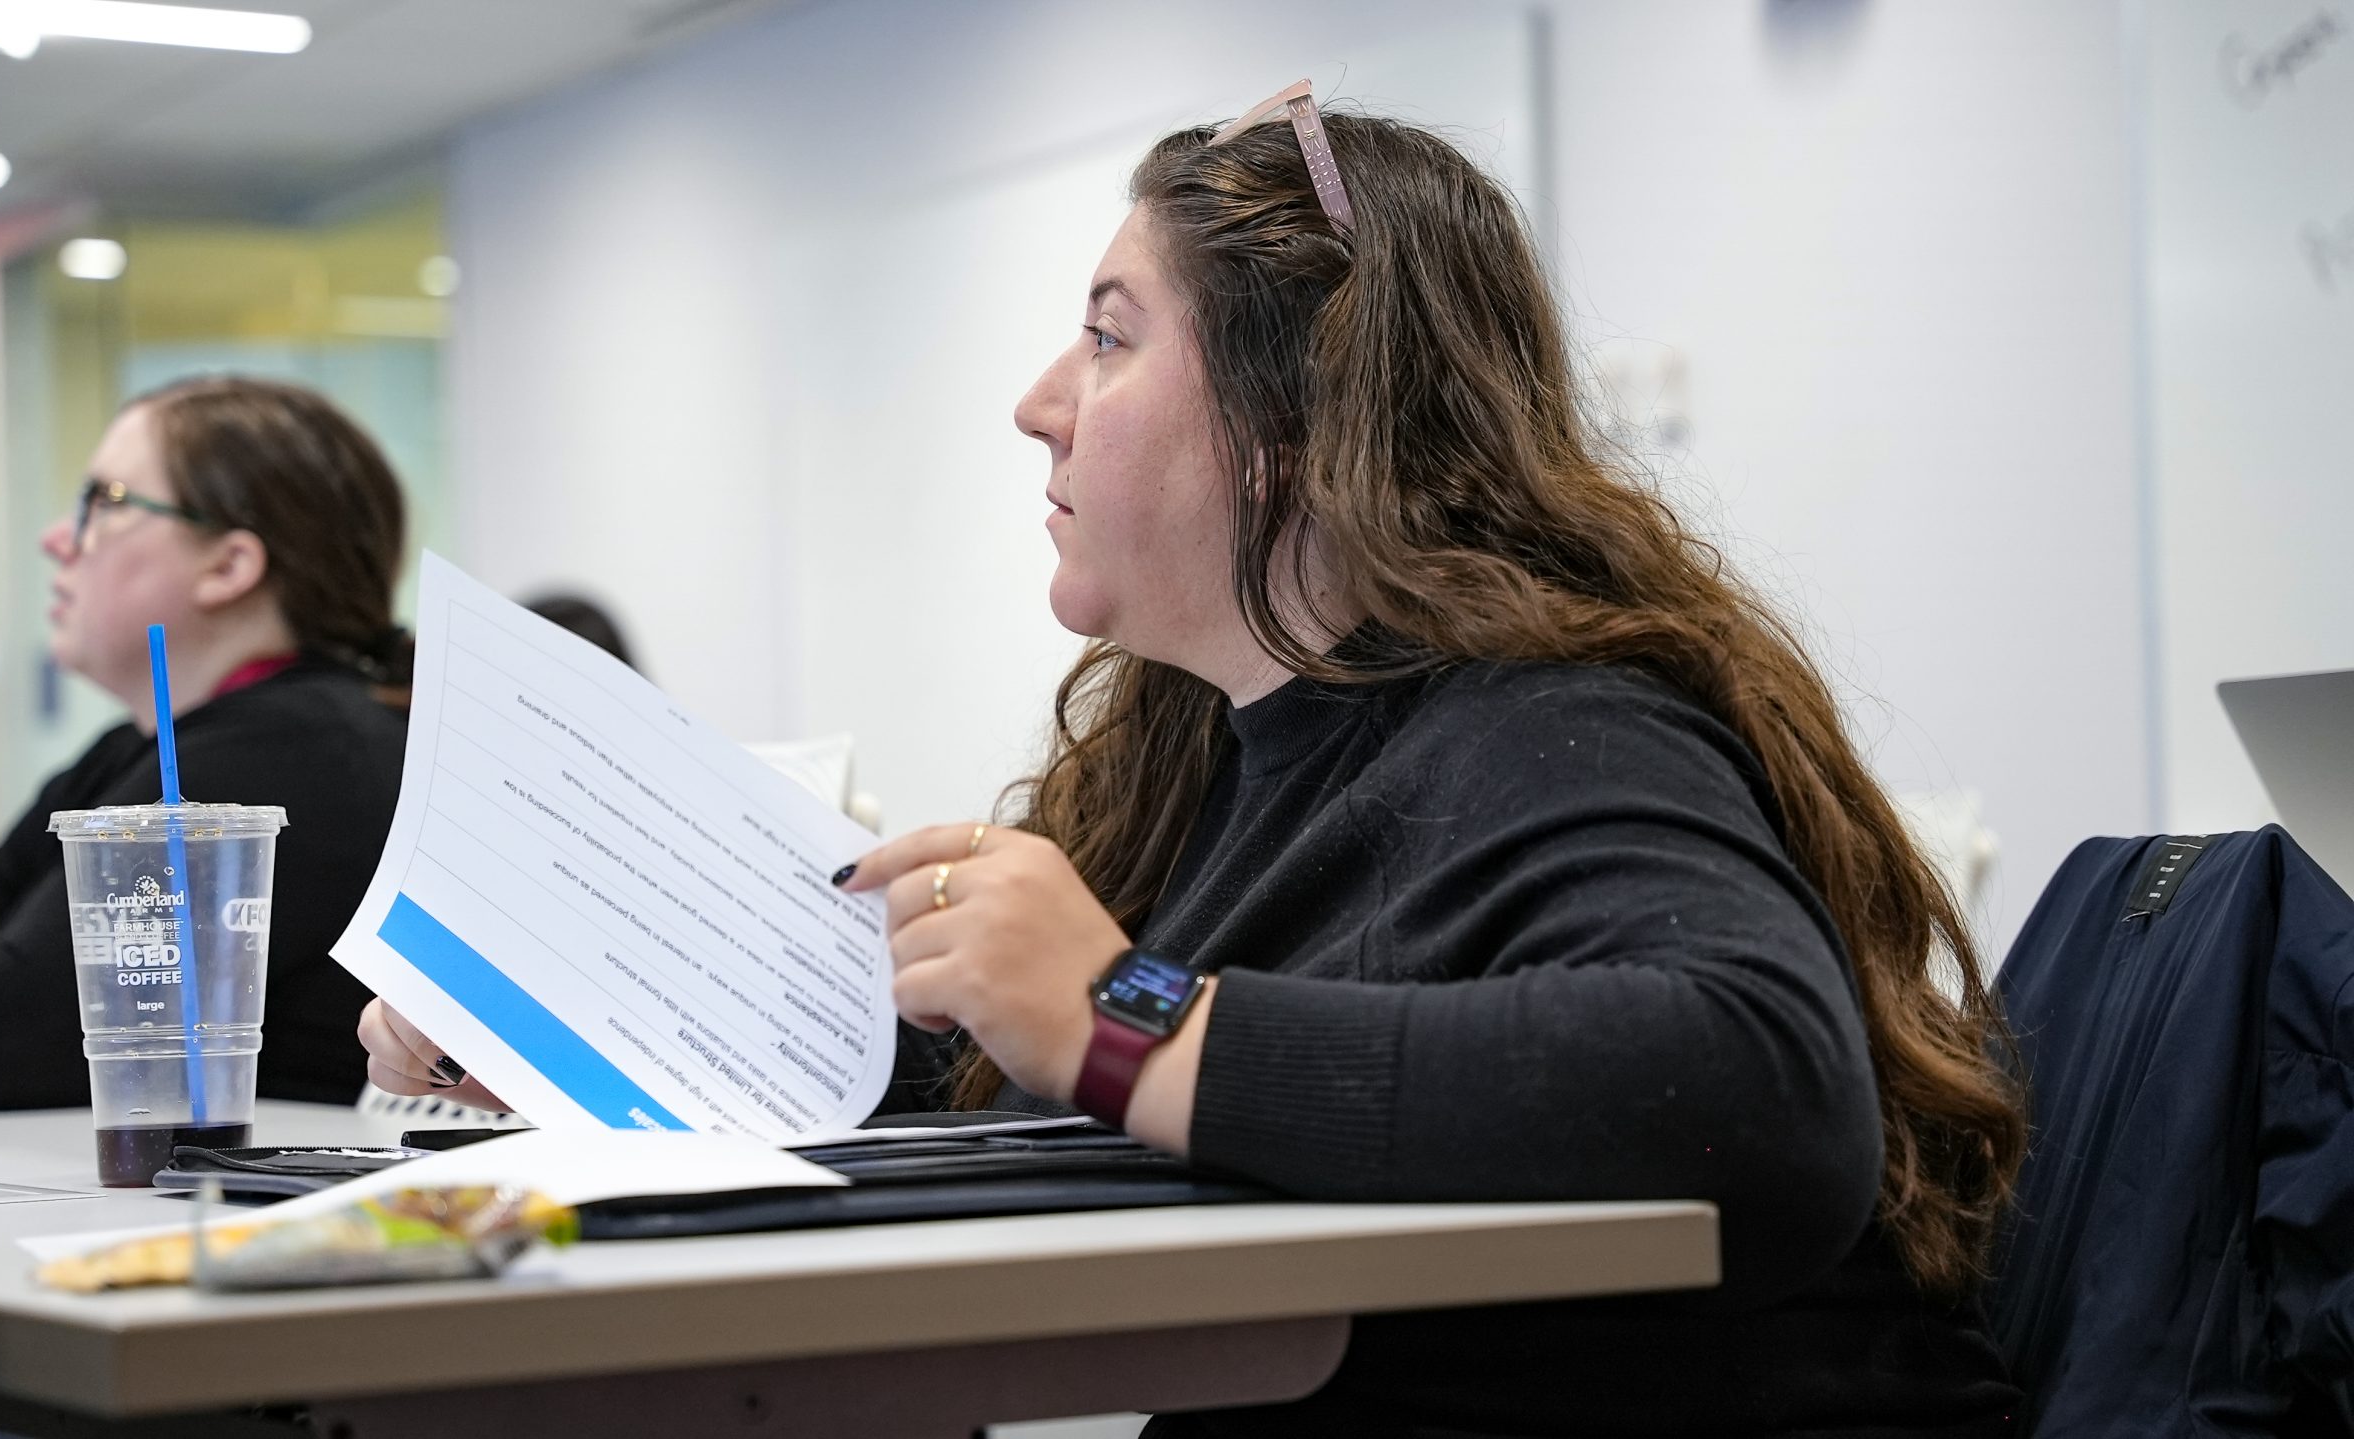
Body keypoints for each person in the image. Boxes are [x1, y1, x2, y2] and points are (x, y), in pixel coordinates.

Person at [362, 89, 2027, 1436]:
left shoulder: (1549, 712)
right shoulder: (1203, 750)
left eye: (1106, 335)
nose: (1036, 402)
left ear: (1295, 411)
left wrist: (1118, 1012)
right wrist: (579, 1035)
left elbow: (1758, 1081)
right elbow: (1061, 1108)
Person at [0, 376, 410, 1110]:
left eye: (104, 504)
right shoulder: (136, 746)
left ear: (229, 566)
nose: (56, 539)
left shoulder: (287, 756)